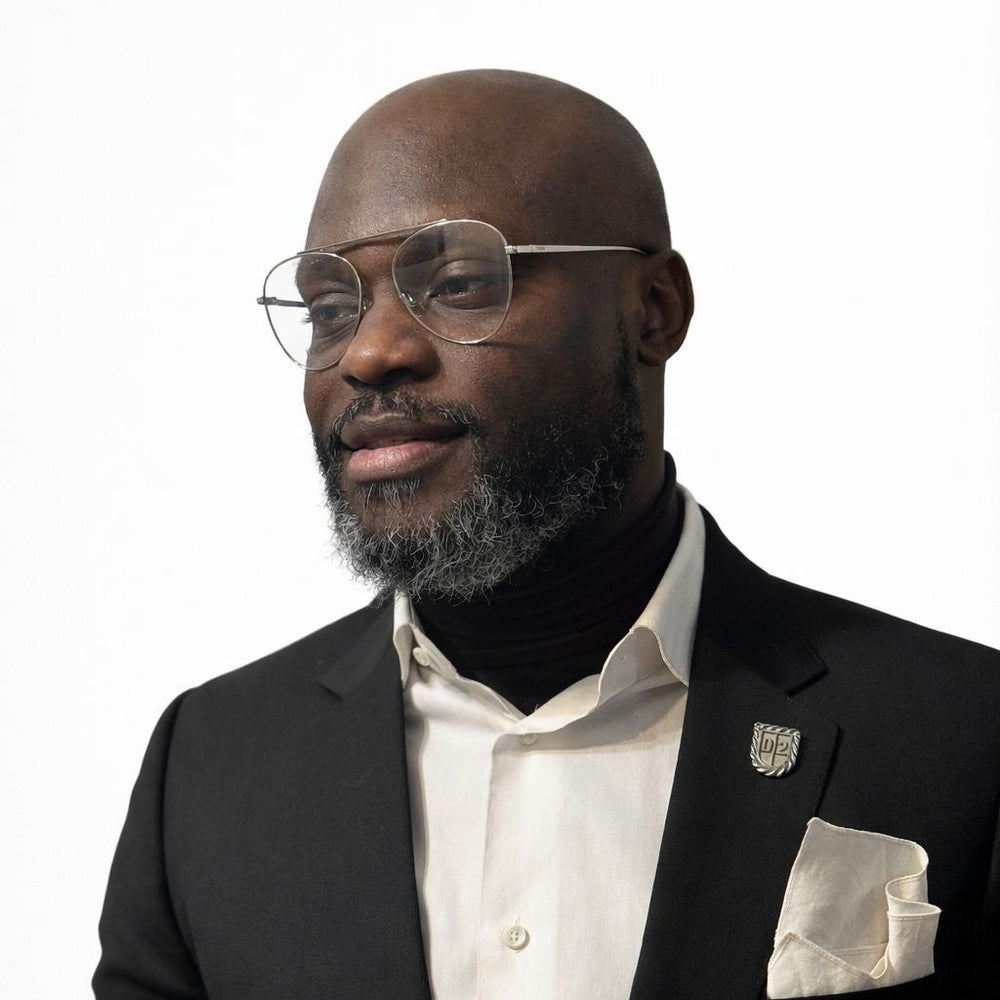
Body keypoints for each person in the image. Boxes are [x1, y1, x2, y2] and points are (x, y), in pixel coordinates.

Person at [93, 70, 999, 1000]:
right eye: (330, 308)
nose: (368, 353)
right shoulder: (209, 766)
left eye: (458, 283)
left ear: (653, 311)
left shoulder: (961, 735)